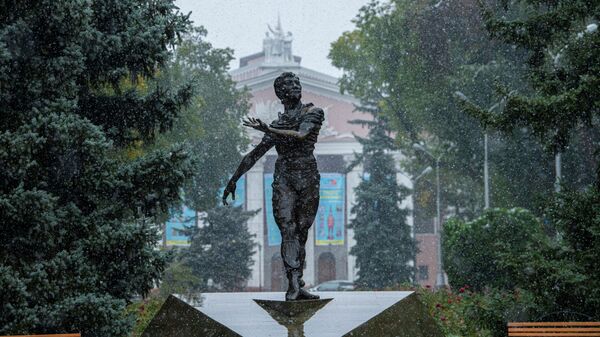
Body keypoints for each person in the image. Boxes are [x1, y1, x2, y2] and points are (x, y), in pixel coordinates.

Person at [222, 72, 324, 301]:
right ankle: (293, 284)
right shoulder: (278, 124)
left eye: (297, 82)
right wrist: (233, 179)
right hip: (284, 179)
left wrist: (269, 130)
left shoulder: (314, 112)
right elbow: (254, 155)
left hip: (308, 178)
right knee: (288, 229)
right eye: (289, 84)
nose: (295, 86)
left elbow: (301, 135)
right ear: (280, 93)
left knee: (302, 231)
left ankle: (298, 281)